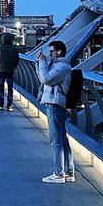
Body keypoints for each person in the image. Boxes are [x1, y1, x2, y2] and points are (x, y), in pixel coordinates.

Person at [37, 40, 74, 184]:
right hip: (56, 103)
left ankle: (58, 174)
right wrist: (40, 63)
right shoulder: (56, 65)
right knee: (62, 138)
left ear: (59, 52)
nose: (49, 54)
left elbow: (45, 79)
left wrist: (42, 63)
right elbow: (42, 77)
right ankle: (69, 172)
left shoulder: (62, 67)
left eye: (51, 51)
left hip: (55, 104)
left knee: (56, 140)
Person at [0, 32, 20, 111]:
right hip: (10, 70)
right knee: (10, 88)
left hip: (1, 70)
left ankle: (1, 104)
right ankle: (9, 105)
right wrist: (13, 67)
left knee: (1, 87)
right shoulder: (14, 49)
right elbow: (17, 60)